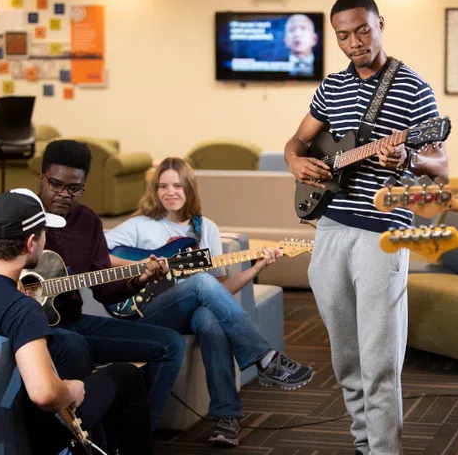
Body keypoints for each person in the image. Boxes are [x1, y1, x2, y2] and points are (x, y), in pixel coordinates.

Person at [284, 0, 449, 455]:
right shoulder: (330, 88)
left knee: (379, 361)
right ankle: (364, 444)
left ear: (380, 24)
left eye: (362, 30)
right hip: (331, 228)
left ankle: (385, 450)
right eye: (343, 35)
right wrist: (295, 163)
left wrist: (410, 155)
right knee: (345, 357)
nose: (354, 42)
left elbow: (441, 164)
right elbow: (297, 142)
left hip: (382, 233)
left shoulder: (413, 86)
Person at [0, 140, 185, 431]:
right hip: (33, 325)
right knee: (73, 346)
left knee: (170, 343)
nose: (64, 195)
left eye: (74, 188)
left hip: (72, 321)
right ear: (42, 178)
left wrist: (140, 280)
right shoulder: (14, 215)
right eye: (56, 184)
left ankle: (137, 434)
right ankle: (80, 438)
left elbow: (105, 291)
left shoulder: (88, 222)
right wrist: (9, 289)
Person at [104, 157, 314, 446]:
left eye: (178, 185)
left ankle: (226, 418)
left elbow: (218, 290)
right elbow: (98, 254)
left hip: (188, 310)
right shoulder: (140, 225)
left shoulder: (206, 230)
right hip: (146, 311)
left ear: (189, 189)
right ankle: (264, 358)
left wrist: (256, 268)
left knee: (209, 319)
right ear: (154, 190)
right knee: (200, 281)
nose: (170, 192)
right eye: (163, 186)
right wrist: (144, 267)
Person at [0, 189, 153, 454]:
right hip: (28, 432)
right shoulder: (21, 309)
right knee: (126, 376)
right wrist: (71, 389)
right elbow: (44, 394)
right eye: (45, 232)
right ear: (31, 242)